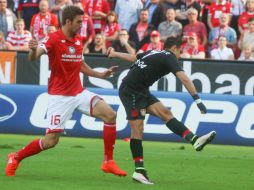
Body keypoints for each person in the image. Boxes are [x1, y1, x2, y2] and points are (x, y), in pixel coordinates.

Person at [5, 5, 126, 177]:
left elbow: (81, 65)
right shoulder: (53, 39)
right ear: (68, 21)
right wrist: (32, 49)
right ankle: (16, 157)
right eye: (78, 22)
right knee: (50, 141)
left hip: (79, 92)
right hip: (60, 97)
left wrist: (100, 74)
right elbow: (34, 56)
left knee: (110, 115)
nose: (81, 25)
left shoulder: (78, 40)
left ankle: (108, 162)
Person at [107, 37, 216, 184]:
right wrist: (197, 99)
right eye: (180, 51)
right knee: (137, 128)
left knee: (165, 113)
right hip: (131, 91)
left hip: (142, 90)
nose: (180, 55)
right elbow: (184, 78)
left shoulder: (154, 52)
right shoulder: (169, 57)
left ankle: (195, 140)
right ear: (174, 48)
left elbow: (133, 57)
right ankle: (139, 171)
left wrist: (114, 54)